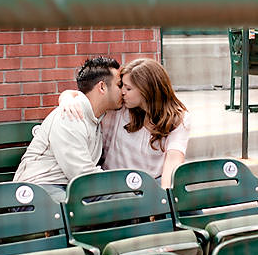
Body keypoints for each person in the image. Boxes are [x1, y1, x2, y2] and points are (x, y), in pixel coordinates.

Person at [59, 57, 191, 189]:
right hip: (117, 183)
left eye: (128, 89)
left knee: (189, 206)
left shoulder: (177, 118)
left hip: (154, 183)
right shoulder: (119, 109)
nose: (122, 92)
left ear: (146, 91)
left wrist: (165, 195)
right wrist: (66, 97)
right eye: (121, 85)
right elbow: (89, 96)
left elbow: (173, 160)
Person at [13, 57, 123, 202]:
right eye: (119, 85)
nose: (123, 92)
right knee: (72, 211)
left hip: (70, 186)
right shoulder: (70, 115)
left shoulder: (95, 117)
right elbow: (82, 174)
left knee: (125, 199)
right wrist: (123, 183)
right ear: (102, 87)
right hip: (39, 188)